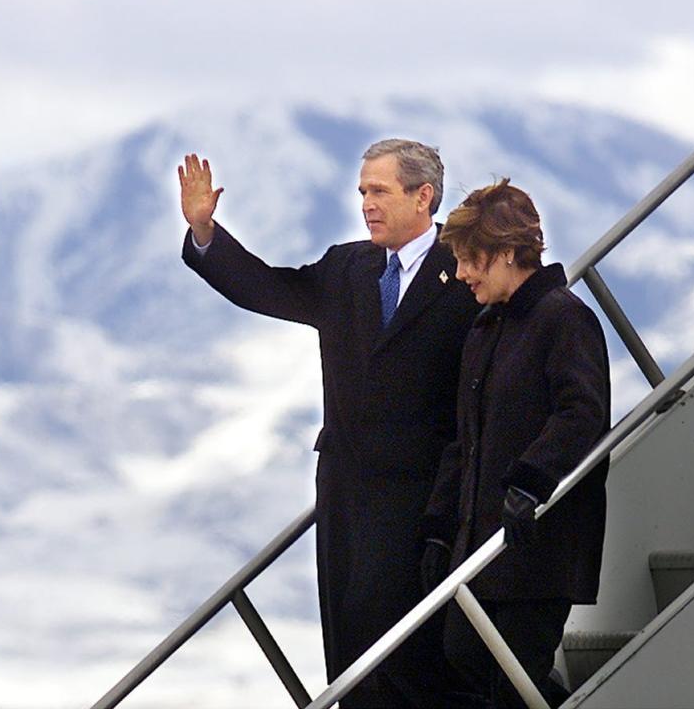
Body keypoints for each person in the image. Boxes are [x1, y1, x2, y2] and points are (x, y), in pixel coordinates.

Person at [179, 140, 479, 707]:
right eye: (363, 191)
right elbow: (270, 288)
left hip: (424, 498)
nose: (367, 203)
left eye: (380, 191)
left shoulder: (463, 271)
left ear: (424, 197)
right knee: (349, 648)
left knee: (406, 651)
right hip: (346, 492)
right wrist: (205, 234)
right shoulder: (348, 266)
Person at [421, 178, 611, 708]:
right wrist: (440, 528)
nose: (460, 274)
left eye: (469, 260)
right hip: (480, 548)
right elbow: (466, 438)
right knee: (464, 659)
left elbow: (582, 411)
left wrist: (531, 480)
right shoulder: (485, 329)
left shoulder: (564, 317)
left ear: (507, 253)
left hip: (537, 547)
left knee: (515, 686)